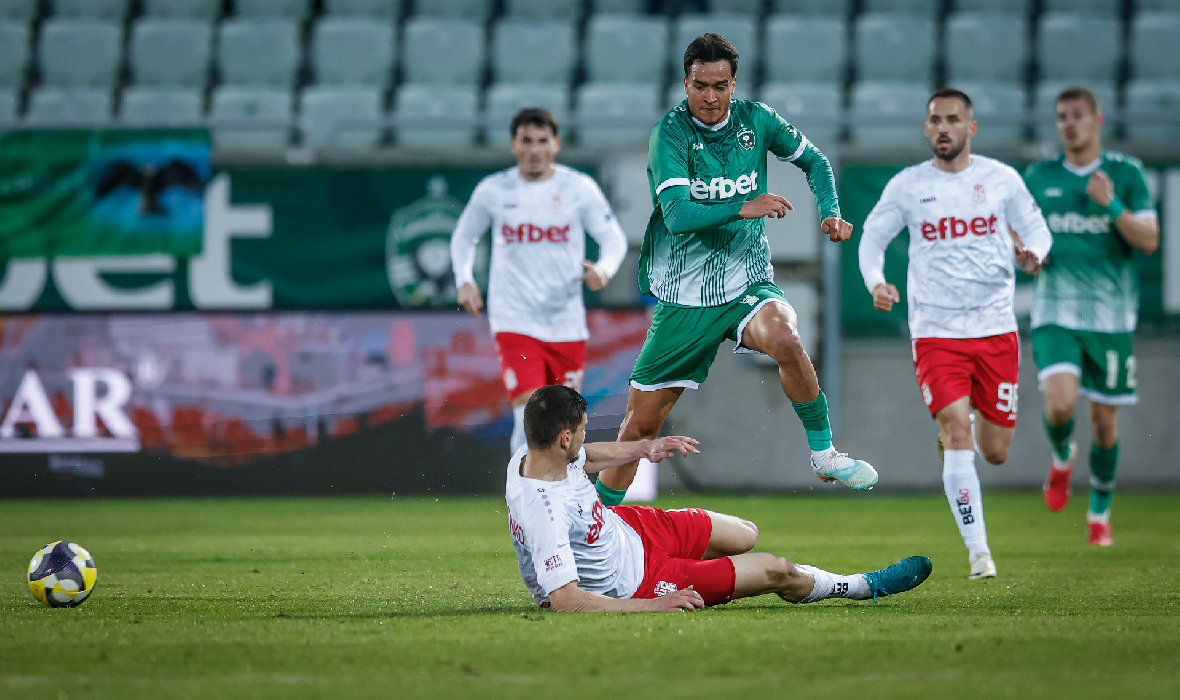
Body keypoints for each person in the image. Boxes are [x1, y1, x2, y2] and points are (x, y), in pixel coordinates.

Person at [595, 33, 874, 507]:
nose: (710, 96)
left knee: (785, 338)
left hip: (747, 283)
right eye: (700, 85)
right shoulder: (670, 134)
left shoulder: (757, 120)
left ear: (733, 84)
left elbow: (816, 162)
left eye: (720, 86)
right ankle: (596, 521)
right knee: (641, 427)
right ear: (685, 84)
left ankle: (824, 454)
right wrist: (744, 206)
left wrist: (830, 210)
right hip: (685, 297)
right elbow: (678, 215)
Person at [506, 385, 932, 612]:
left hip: (628, 531)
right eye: (582, 430)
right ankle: (862, 587)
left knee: (745, 534)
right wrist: (654, 606)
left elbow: (587, 456)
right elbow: (566, 601)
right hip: (638, 582)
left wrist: (644, 448)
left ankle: (701, 566)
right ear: (564, 437)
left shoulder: (532, 455)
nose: (585, 438)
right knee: (776, 569)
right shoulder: (545, 511)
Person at [858, 88, 1053, 580]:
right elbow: (872, 238)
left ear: (971, 127)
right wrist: (877, 282)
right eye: (935, 120)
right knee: (957, 430)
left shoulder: (1001, 179)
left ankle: (958, 444)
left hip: (995, 330)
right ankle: (979, 553)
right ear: (927, 128)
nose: (943, 128)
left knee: (996, 451)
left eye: (953, 119)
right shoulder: (908, 186)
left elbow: (1037, 229)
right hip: (935, 332)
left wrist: (1034, 255)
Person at [1023, 88, 1159, 546]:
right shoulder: (1040, 176)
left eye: (1078, 115)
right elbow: (1020, 235)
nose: (1069, 124)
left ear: (1098, 120)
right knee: (1060, 403)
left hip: (1111, 318)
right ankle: (1062, 455)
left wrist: (1111, 204)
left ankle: (1099, 512)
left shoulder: (1126, 173)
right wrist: (1028, 255)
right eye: (1062, 116)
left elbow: (1149, 240)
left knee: (1104, 424)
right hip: (1055, 311)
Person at [451, 108, 629, 453]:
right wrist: (465, 279)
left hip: (566, 324)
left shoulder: (578, 188)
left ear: (556, 144)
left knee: (565, 422)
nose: (535, 150)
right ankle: (520, 486)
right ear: (513, 145)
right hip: (514, 321)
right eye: (527, 141)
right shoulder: (494, 190)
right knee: (528, 414)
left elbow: (614, 239)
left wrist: (603, 270)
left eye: (542, 141)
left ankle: (561, 486)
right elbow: (464, 236)